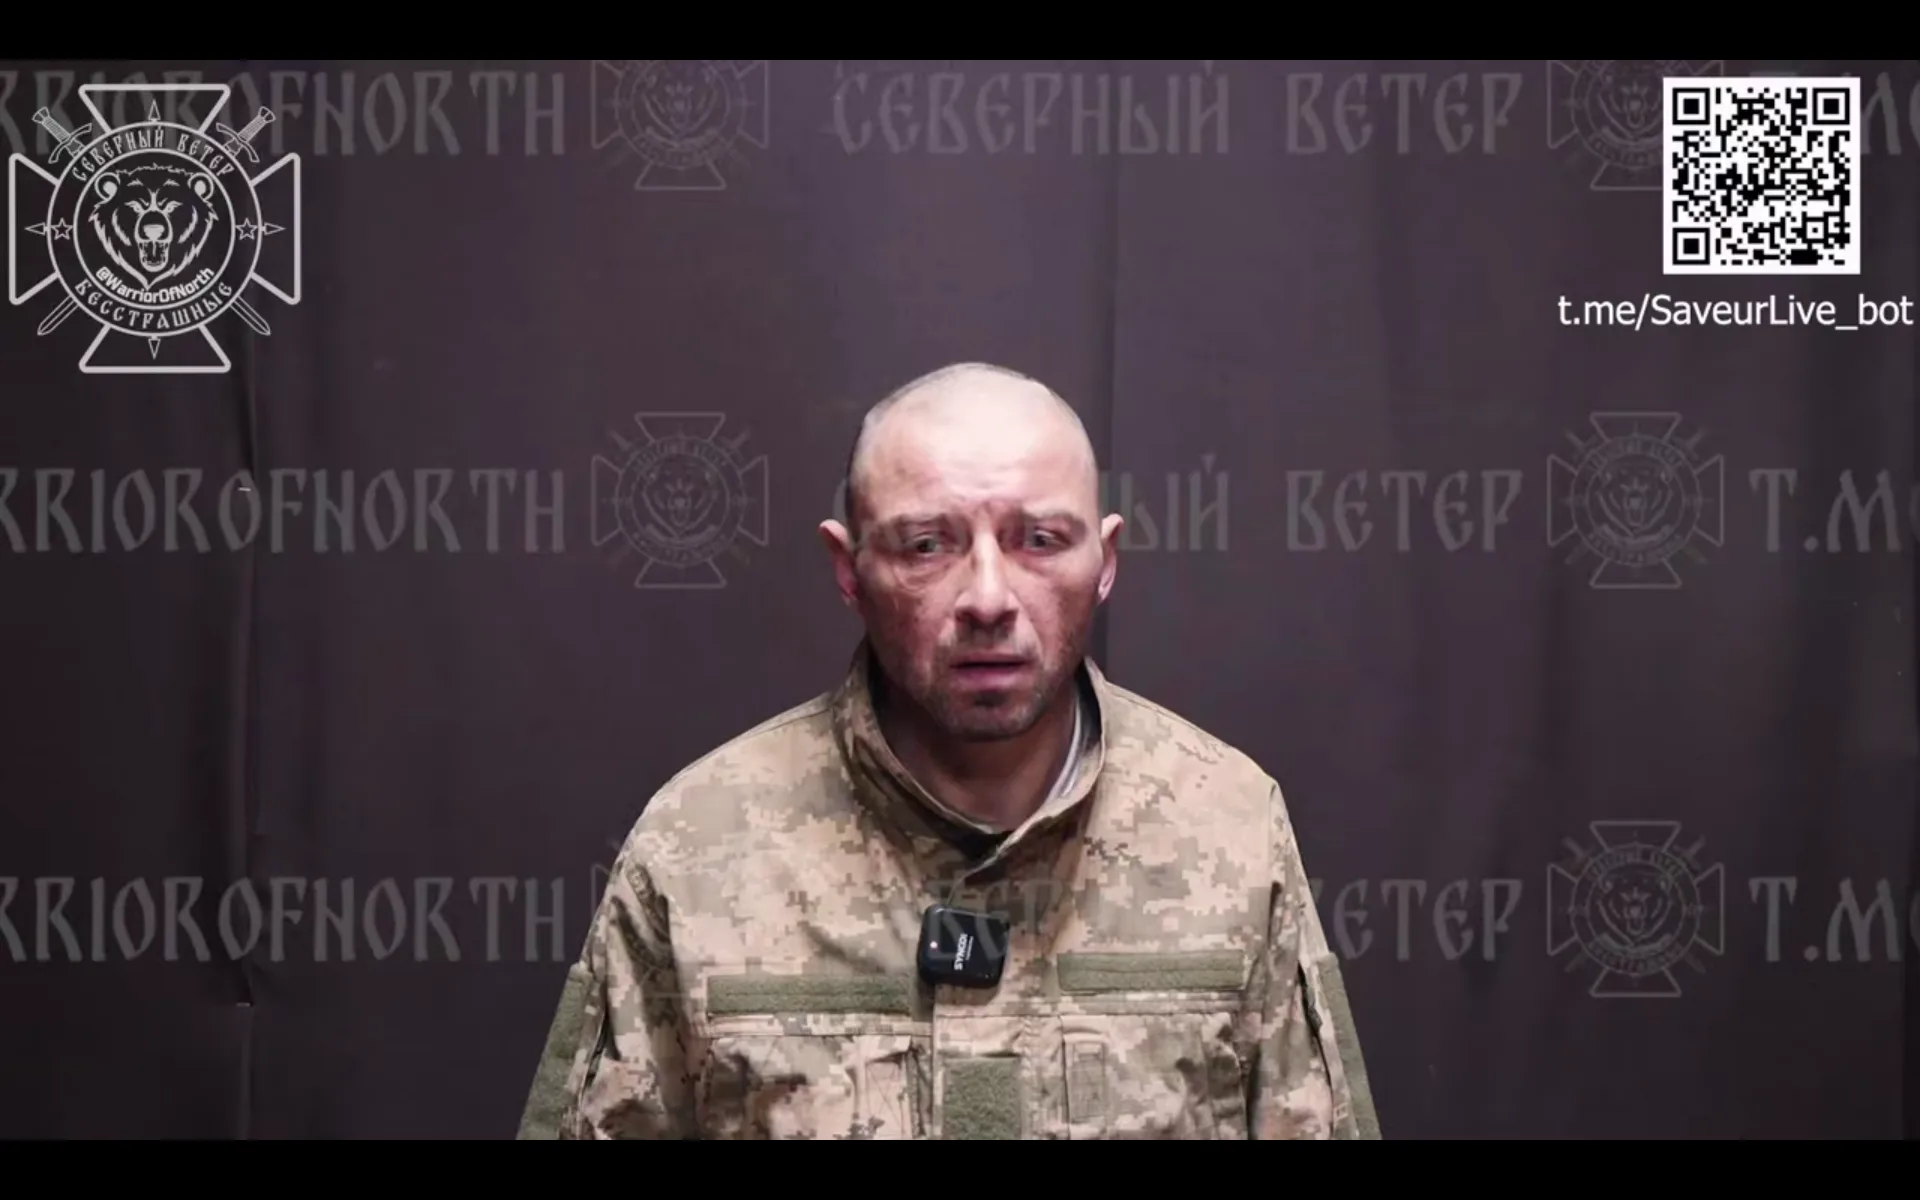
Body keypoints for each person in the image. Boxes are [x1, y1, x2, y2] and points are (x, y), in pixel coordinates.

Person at [516, 362, 1379, 1140]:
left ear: (1105, 560)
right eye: (927, 545)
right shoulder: (699, 846)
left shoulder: (1227, 824)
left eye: (1040, 540)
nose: (989, 598)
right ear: (849, 569)